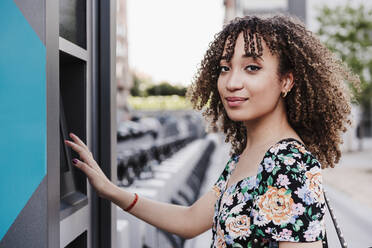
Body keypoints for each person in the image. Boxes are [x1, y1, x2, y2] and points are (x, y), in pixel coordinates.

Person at [65, 15, 360, 248]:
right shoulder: (245, 156)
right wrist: (112, 191)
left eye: (252, 68)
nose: (232, 82)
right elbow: (191, 219)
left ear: (286, 81)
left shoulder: (289, 164)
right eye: (224, 68)